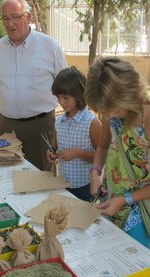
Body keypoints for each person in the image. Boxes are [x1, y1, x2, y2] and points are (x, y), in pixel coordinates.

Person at [85, 57, 150, 248]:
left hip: (140, 210)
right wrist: (95, 171)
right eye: (104, 112)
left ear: (129, 95)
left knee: (131, 265)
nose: (109, 116)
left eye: (113, 110)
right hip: (112, 202)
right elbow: (103, 146)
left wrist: (126, 199)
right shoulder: (108, 111)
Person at [0, 0, 68, 171]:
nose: (10, 23)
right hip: (6, 125)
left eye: (15, 17)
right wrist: (14, 104)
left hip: (41, 125)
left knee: (40, 177)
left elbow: (65, 86)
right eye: (5, 18)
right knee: (6, 174)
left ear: (28, 17)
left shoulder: (49, 46)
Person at [47, 67, 102, 201]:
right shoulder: (59, 121)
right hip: (63, 184)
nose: (61, 102)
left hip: (85, 187)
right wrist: (52, 153)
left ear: (79, 94)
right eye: (58, 97)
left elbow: (102, 158)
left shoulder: (92, 123)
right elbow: (55, 147)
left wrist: (78, 153)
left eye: (65, 97)